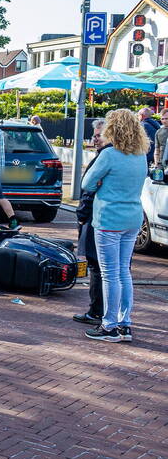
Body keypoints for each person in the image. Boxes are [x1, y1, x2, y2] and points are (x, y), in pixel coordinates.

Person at [81, 108, 150, 343]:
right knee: (124, 271)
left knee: (110, 274)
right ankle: (125, 323)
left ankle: (109, 325)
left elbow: (87, 184)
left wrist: (101, 183)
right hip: (133, 217)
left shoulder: (109, 155)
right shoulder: (140, 154)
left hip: (109, 218)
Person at [71, 119, 107, 326]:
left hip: (97, 219)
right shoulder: (128, 156)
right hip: (114, 220)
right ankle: (109, 312)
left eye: (98, 135)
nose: (95, 139)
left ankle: (96, 311)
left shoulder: (105, 158)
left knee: (96, 266)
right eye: (94, 135)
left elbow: (89, 191)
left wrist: (82, 217)